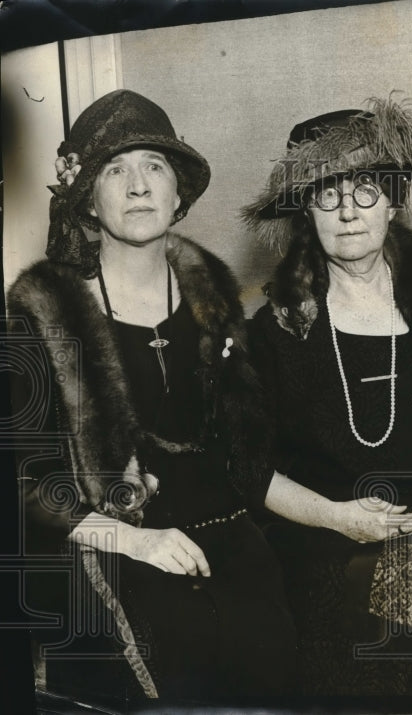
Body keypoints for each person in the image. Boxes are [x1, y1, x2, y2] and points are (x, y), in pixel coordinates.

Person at [7, 89, 295, 702]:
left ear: (177, 193)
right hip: (109, 544)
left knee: (269, 645)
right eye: (116, 169)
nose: (138, 186)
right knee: (178, 642)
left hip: (225, 534)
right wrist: (137, 541)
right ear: (87, 195)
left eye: (154, 167)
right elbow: (26, 479)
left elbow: (247, 459)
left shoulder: (216, 300)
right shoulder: (44, 310)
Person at [242, 97, 412, 696]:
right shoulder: (277, 327)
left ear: (392, 201)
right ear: (306, 209)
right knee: (376, 584)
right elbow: (248, 466)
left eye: (365, 190)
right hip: (323, 530)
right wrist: (337, 517)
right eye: (328, 194)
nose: (348, 212)